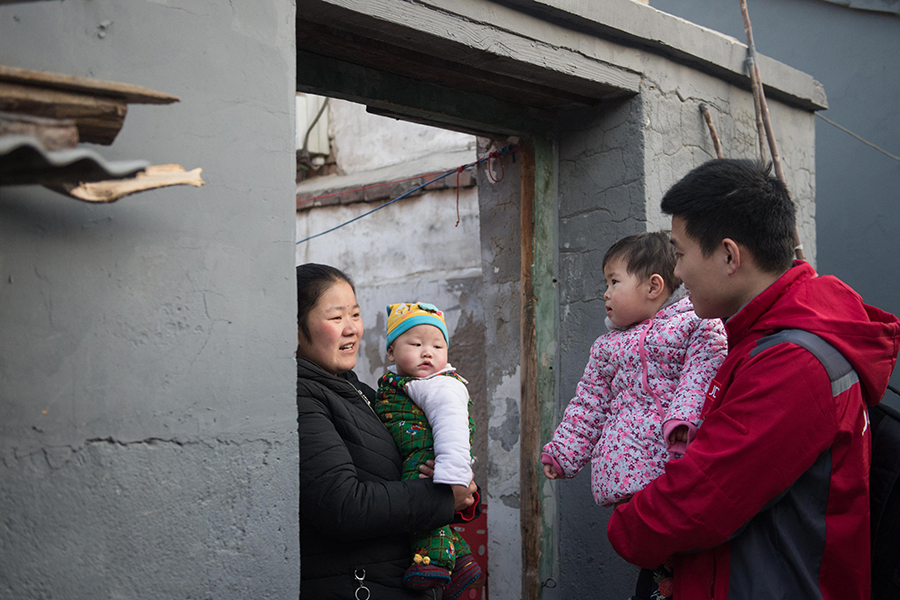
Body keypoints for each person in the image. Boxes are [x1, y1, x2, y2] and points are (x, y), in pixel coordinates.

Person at [607, 159, 900, 600]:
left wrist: (627, 524)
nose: (679, 274)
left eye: (680, 253)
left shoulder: (793, 363)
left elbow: (702, 498)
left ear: (729, 255)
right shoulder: (759, 338)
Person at [541, 231, 727, 598]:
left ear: (654, 286)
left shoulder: (694, 322)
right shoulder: (607, 346)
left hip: (672, 464)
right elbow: (588, 404)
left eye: (614, 281)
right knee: (657, 561)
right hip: (627, 480)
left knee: (684, 557)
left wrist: (683, 424)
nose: (605, 293)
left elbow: (702, 371)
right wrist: (564, 451)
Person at [296, 264, 478, 599]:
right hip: (358, 588)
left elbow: (413, 455)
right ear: (295, 330)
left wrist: (462, 490)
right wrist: (441, 499)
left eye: (355, 314)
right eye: (336, 318)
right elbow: (342, 506)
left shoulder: (366, 392)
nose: (352, 329)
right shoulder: (302, 397)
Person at [374, 302, 482, 600]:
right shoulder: (407, 384)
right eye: (416, 343)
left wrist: (452, 477)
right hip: (417, 454)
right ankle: (459, 560)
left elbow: (453, 431)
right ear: (392, 352)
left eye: (437, 345)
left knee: (423, 510)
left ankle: (432, 561)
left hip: (427, 458)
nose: (428, 352)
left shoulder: (440, 386)